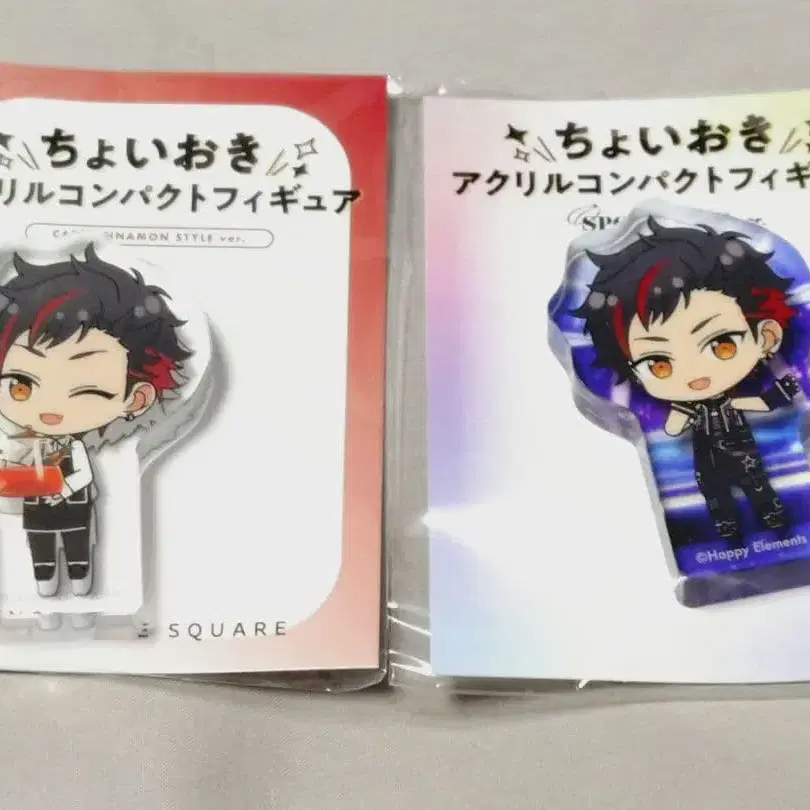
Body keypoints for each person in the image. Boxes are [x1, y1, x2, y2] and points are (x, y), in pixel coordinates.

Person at [574, 217, 801, 541]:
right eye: (659, 364)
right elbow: (672, 428)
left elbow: (763, 403)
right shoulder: (688, 409)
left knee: (757, 487)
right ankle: (728, 529)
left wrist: (785, 389)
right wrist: (679, 414)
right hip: (708, 461)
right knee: (717, 495)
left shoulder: (733, 402)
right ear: (633, 370)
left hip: (744, 455)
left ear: (766, 337)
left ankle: (774, 519)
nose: (694, 374)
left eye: (721, 345)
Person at [0, 244, 190, 596]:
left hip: (74, 509)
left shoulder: (73, 448)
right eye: (22, 385)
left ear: (136, 399)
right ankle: (45, 588)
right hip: (37, 514)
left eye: (85, 390)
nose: (50, 407)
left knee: (78, 553)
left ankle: (80, 586)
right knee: (41, 555)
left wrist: (60, 488)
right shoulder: (24, 445)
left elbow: (83, 474)